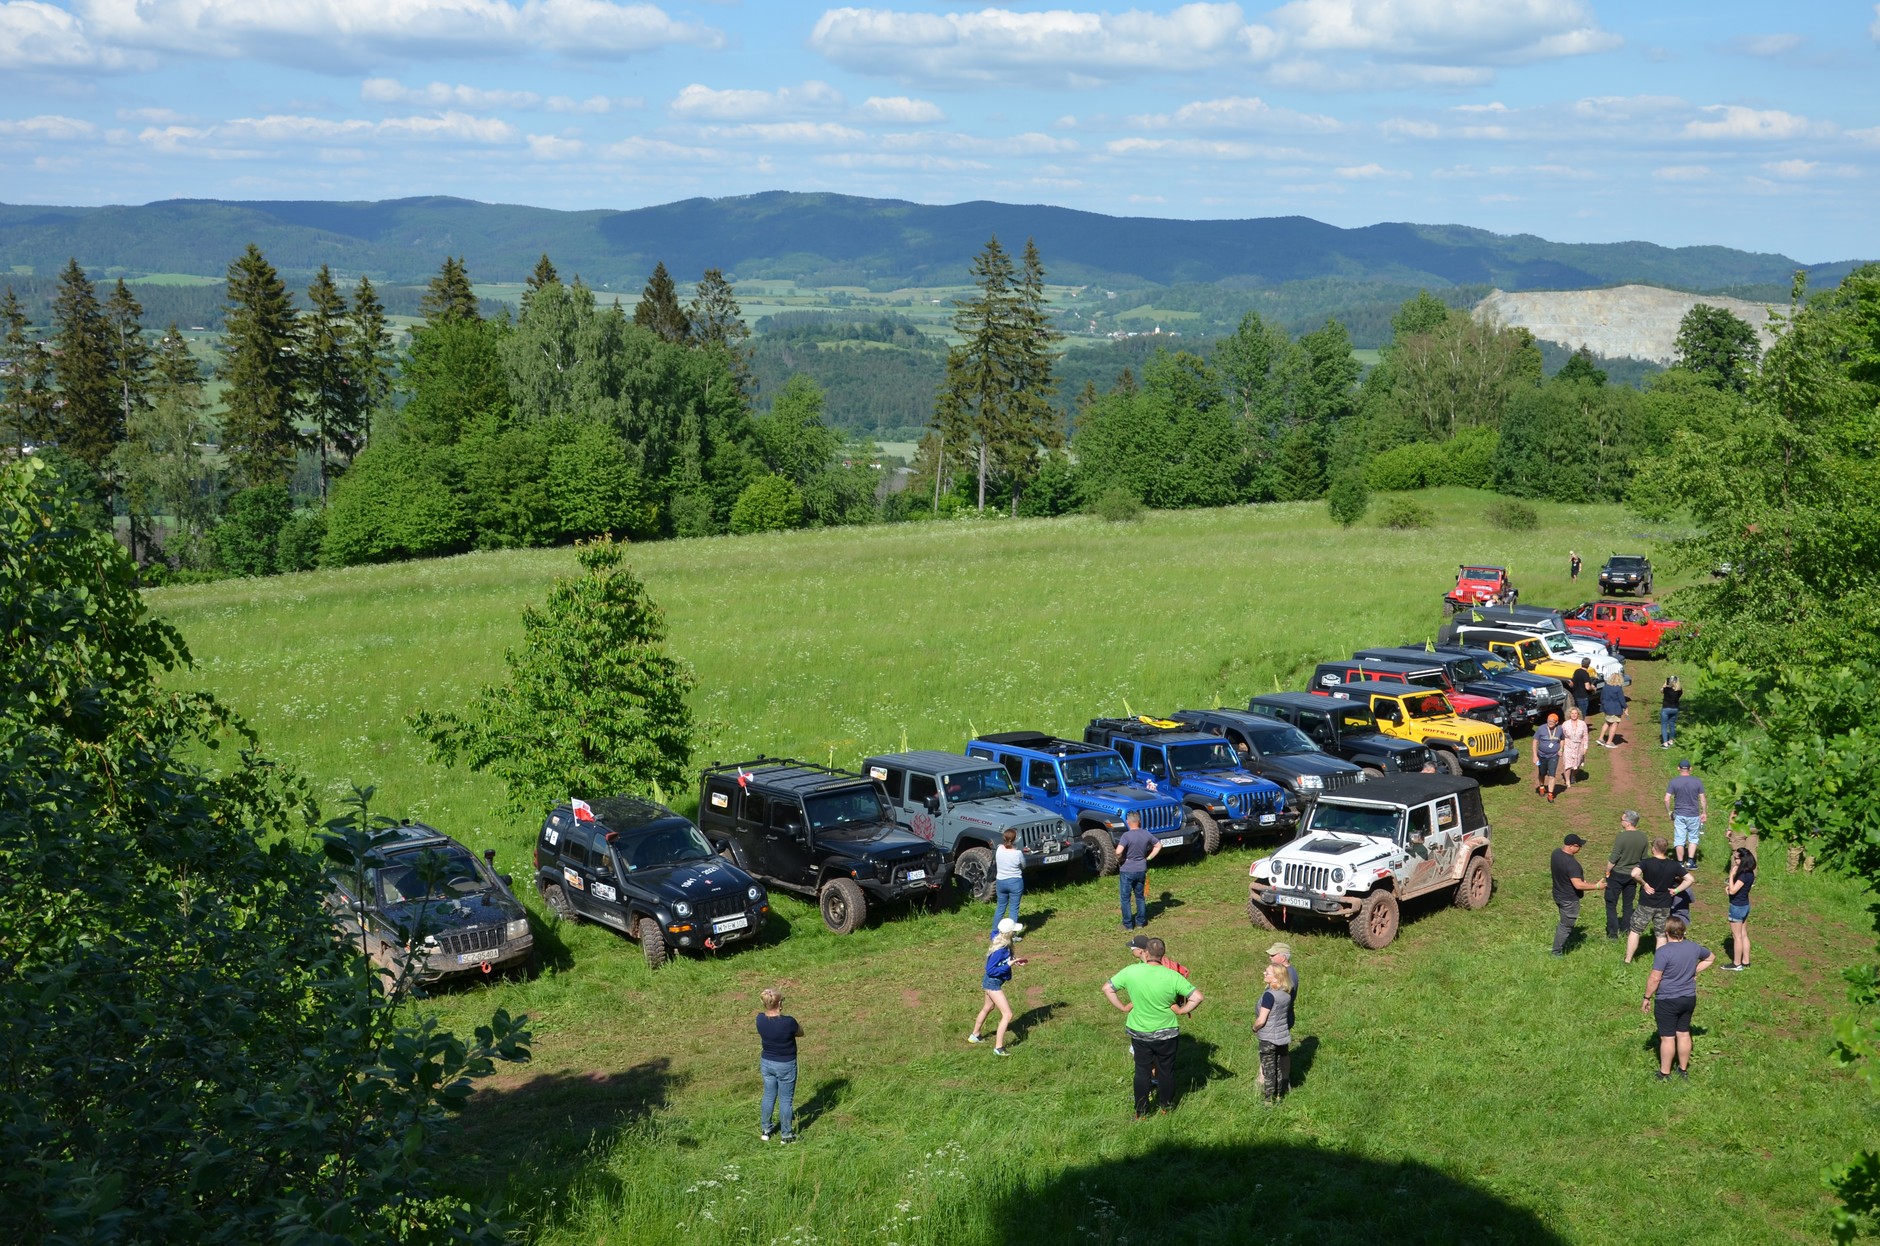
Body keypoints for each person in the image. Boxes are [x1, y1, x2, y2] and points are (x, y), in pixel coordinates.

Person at [1103, 937, 1203, 1118]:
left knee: (1142, 1071)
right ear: (1162, 955)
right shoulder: (1172, 976)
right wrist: (1181, 1011)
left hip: (1140, 1031)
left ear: (1146, 953)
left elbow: (1107, 988)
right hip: (1167, 1032)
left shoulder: (1130, 971)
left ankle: (1141, 1111)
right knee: (1166, 1071)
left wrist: (1123, 1007)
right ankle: (1166, 1107)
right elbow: (1197, 997)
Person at [1640, 915, 1715, 1080]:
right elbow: (1711, 958)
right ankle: (1683, 1070)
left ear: (1667, 932)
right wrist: (1694, 971)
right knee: (1683, 1033)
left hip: (1667, 1000)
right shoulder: (1693, 947)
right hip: (1688, 998)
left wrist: (1646, 997)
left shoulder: (1663, 952)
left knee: (1667, 1037)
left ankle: (1665, 1073)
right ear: (1682, 931)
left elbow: (1655, 978)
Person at [1625, 837, 1692, 963]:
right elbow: (1690, 879)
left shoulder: (1646, 862)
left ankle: (1628, 959)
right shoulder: (1674, 865)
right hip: (1664, 904)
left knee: (1635, 930)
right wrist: (1676, 891)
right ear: (1665, 849)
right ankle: (1659, 962)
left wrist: (1644, 884)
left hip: (1646, 903)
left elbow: (1634, 874)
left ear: (1653, 849)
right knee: (1661, 934)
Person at [968, 919, 1026, 1056]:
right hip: (992, 983)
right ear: (1010, 932)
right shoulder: (1000, 950)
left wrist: (1014, 961)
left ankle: (975, 1035)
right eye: (1014, 931)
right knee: (1007, 1014)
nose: (1015, 932)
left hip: (990, 982)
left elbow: (994, 932)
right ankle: (998, 1048)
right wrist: (1008, 965)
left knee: (988, 1007)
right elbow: (991, 970)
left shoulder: (998, 938)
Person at [756, 987, 804, 1142]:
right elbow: (800, 1032)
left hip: (767, 1063)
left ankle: (766, 1130)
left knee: (769, 1096)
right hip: (786, 1064)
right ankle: (786, 1135)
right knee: (786, 1100)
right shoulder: (788, 1022)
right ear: (779, 1003)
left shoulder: (759, 1019)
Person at [1255, 941, 1299, 1094]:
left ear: (1283, 957)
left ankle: (1266, 1086)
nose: (1270, 957)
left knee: (1269, 1053)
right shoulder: (1289, 971)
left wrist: (1258, 1025)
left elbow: (1280, 999)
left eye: (1273, 954)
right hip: (1280, 1020)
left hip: (1275, 1021)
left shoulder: (1287, 974)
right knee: (1281, 1053)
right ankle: (1283, 1084)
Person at [1551, 833, 1605, 955]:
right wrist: (1597, 886)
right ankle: (1556, 952)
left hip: (1558, 894)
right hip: (1569, 899)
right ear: (1571, 846)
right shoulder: (1572, 864)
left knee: (1564, 922)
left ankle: (1560, 943)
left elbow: (1567, 877)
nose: (1580, 848)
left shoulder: (1556, 854)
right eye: (1579, 846)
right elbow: (1578, 885)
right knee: (1566, 926)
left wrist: (1579, 881)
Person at [1114, 811, 1161, 931]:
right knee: (1140, 896)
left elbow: (1118, 851)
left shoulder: (1126, 836)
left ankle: (1128, 924)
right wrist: (1148, 858)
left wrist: (1119, 859)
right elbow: (1158, 845)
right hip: (1141, 868)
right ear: (1139, 821)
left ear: (1128, 822)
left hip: (1127, 869)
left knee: (1125, 897)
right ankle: (1140, 922)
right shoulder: (1146, 834)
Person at [1253, 964, 1293, 1105]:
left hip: (1268, 1038)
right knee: (1278, 1067)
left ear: (1276, 978)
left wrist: (1254, 1027)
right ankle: (1279, 1095)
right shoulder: (1286, 995)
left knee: (1268, 1069)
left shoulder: (1269, 995)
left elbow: (1261, 1020)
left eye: (1268, 972)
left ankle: (1268, 1101)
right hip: (1282, 1036)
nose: (1264, 973)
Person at [1605, 810, 1648, 940]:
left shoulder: (1622, 837)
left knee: (1611, 903)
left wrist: (1607, 871)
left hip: (1617, 874)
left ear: (1628, 823)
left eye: (1622, 819)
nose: (1621, 822)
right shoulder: (1643, 837)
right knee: (1628, 904)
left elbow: (1614, 858)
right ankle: (1625, 930)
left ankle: (1613, 933)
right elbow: (1644, 858)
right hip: (1632, 876)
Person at [1666, 759, 1708, 866]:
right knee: (1693, 837)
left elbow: (1666, 799)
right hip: (1693, 814)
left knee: (1679, 838)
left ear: (1678, 768)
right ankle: (1690, 861)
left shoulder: (1674, 782)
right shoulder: (1697, 781)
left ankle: (1679, 863)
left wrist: (1669, 811)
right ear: (1690, 769)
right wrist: (1704, 812)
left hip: (1679, 814)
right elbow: (1702, 799)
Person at [1724, 838, 1755, 971]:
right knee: (1743, 934)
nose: (1735, 860)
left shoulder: (1742, 875)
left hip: (1737, 907)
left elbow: (1733, 890)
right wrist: (1731, 889)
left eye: (1737, 858)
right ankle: (1746, 960)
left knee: (1736, 937)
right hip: (1745, 905)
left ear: (1742, 860)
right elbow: (1737, 889)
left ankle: (1736, 963)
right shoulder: (1750, 874)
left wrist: (1731, 876)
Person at [990, 827, 1024, 937]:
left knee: (1000, 907)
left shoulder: (999, 849)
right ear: (1015, 839)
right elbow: (1023, 865)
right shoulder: (1018, 853)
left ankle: (995, 933)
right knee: (1013, 909)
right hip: (1015, 882)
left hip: (1001, 882)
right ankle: (1011, 936)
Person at [1532, 711, 1563, 802]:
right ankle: (1541, 786)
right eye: (1549, 721)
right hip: (1541, 755)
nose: (1550, 723)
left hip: (1554, 756)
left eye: (1552, 722)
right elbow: (1535, 741)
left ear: (1556, 722)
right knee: (1542, 773)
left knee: (1552, 775)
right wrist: (1534, 755)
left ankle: (1550, 793)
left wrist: (1561, 749)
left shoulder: (1560, 729)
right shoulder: (1541, 729)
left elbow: (1562, 740)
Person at [1560, 706, 1590, 788]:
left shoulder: (1582, 723)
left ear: (1578, 714)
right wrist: (1561, 747)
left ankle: (1573, 775)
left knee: (1577, 764)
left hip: (1579, 746)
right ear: (1569, 714)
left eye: (1575, 713)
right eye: (1572, 713)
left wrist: (1585, 747)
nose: (1574, 715)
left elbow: (1585, 736)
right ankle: (1567, 781)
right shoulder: (1565, 724)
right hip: (1568, 746)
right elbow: (1561, 736)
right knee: (1568, 764)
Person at [1597, 672, 1627, 748]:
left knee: (1607, 722)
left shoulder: (1605, 687)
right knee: (1615, 723)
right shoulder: (1618, 688)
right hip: (1615, 709)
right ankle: (1609, 742)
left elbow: (1601, 698)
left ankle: (1601, 738)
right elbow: (1622, 700)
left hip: (1606, 708)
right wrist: (1625, 707)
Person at [1660, 675, 1683, 748]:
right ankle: (1671, 740)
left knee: (1664, 725)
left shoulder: (1667, 689)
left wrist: (1665, 683)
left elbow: (1661, 690)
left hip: (1666, 709)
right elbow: (1679, 690)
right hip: (1675, 709)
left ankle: (1665, 743)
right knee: (1672, 725)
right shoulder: (1679, 690)